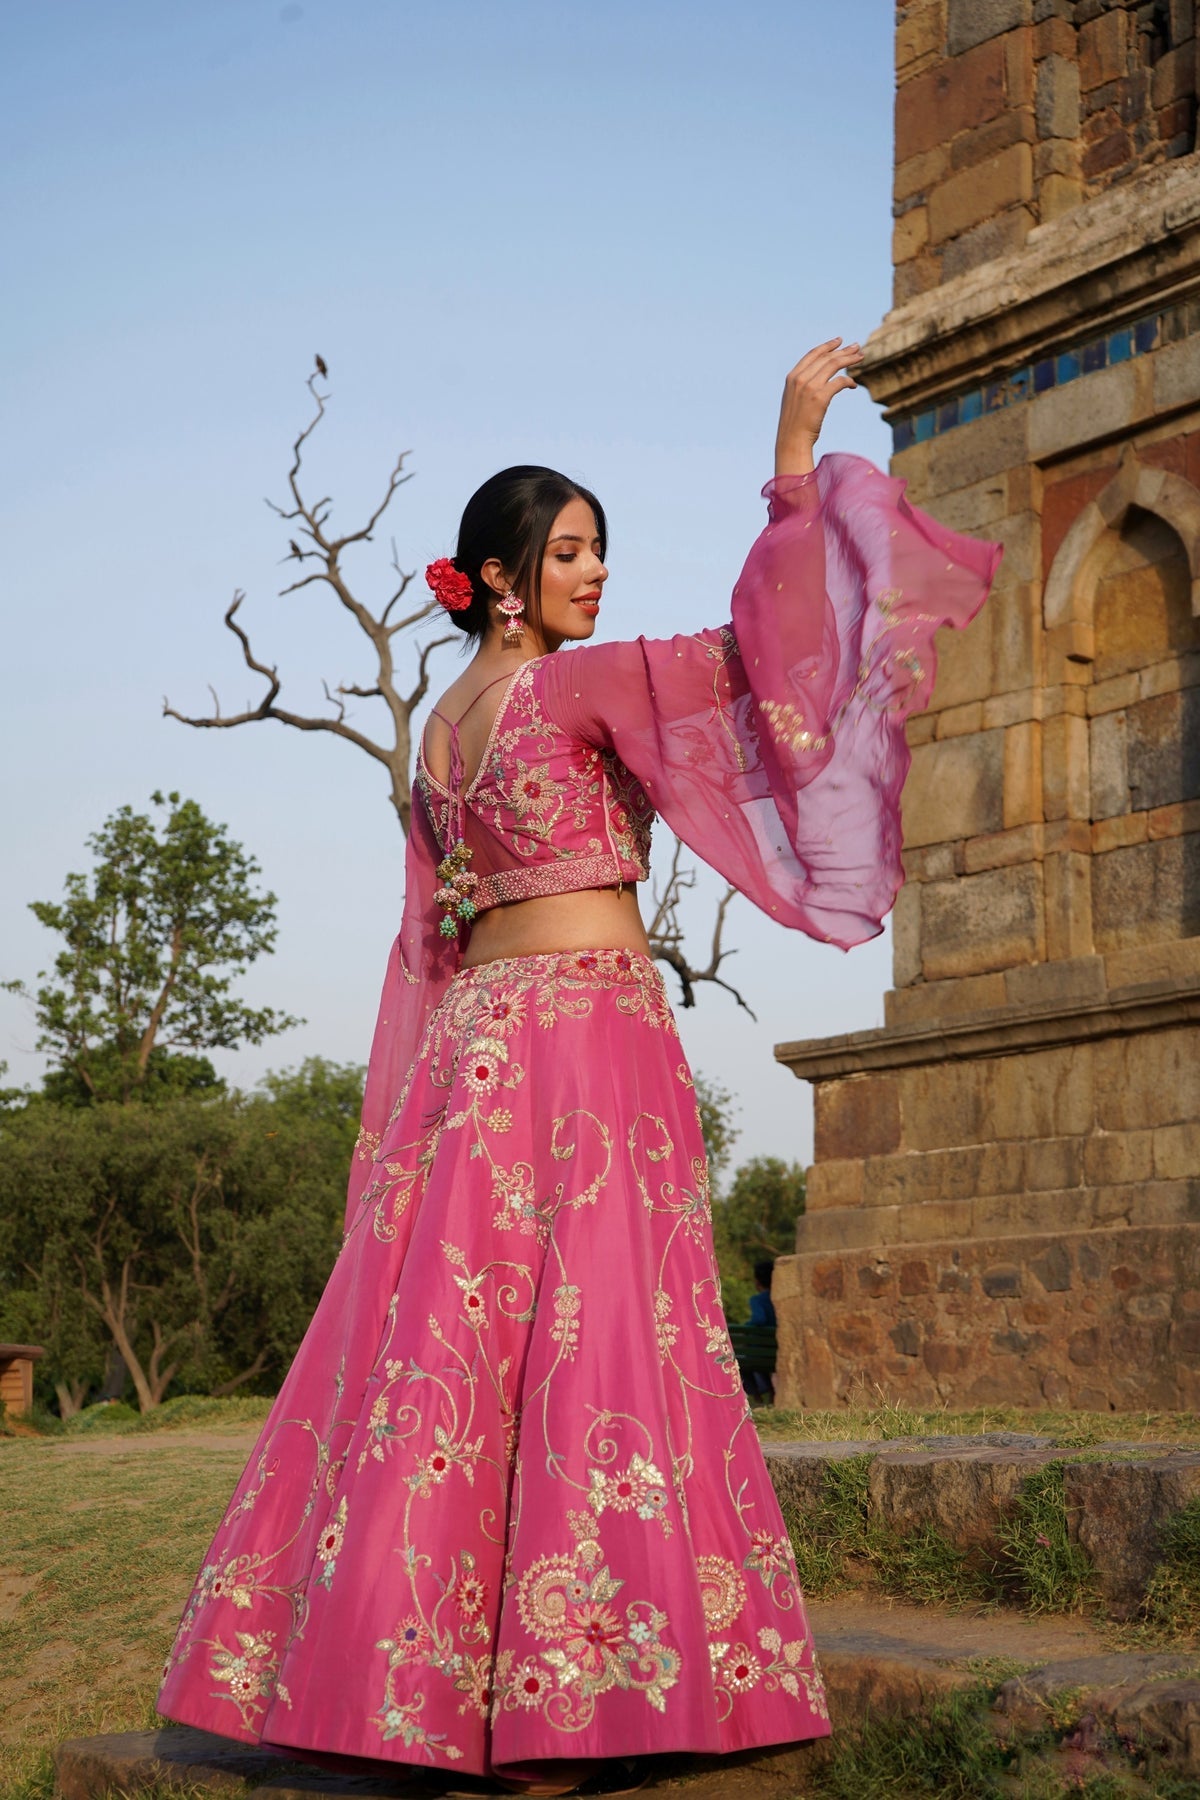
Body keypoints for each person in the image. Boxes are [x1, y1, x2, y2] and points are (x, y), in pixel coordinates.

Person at [158, 342, 1000, 1795]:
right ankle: (569, 1708)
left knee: (454, 1353)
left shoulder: (440, 732)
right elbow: (770, 659)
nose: (595, 571)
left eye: (599, 548)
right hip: (587, 1031)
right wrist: (793, 469)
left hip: (477, 1048)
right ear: (499, 577)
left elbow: (428, 936)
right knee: (599, 1330)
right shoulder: (580, 688)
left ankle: (416, 1693)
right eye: (566, 552)